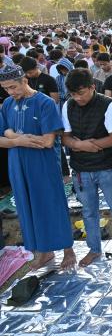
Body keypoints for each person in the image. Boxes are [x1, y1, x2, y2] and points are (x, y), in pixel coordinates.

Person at [0, 65, 76, 270]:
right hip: (17, 165)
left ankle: (68, 249)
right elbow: (3, 136)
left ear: (24, 80)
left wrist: (13, 137)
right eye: (6, 88)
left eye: (13, 87)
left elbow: (48, 141)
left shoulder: (45, 102)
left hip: (42, 165)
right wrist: (20, 139)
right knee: (26, 207)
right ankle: (43, 252)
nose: (10, 92)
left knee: (52, 203)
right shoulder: (7, 104)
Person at [62, 68, 112, 268]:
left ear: (92, 87)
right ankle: (94, 248)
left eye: (81, 93)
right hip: (81, 168)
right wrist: (80, 145)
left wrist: (94, 145)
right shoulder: (68, 105)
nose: (77, 98)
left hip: (107, 167)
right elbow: (65, 136)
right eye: (73, 94)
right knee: (89, 211)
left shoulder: (109, 106)